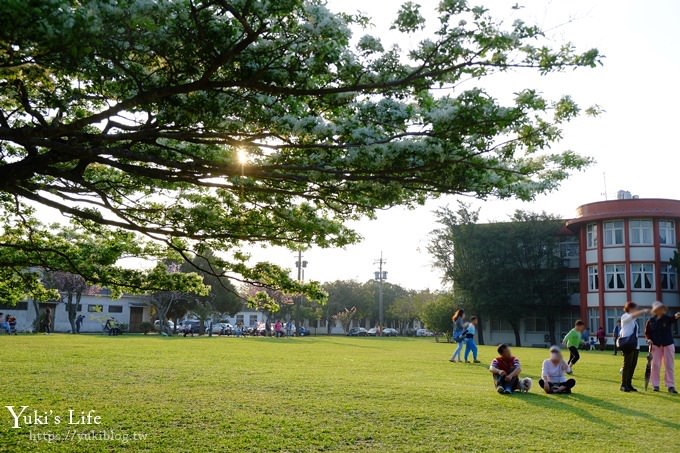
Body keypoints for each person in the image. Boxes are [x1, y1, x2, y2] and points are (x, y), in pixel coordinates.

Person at [645, 301, 680, 394]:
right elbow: (647, 333)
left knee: (669, 365)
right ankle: (655, 385)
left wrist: (677, 315)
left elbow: (674, 318)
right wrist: (648, 339)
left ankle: (670, 386)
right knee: (655, 365)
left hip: (668, 344)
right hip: (656, 345)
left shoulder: (667, 319)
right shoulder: (651, 321)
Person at [619, 301, 649, 392]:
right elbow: (631, 317)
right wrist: (643, 311)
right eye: (635, 308)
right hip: (627, 345)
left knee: (632, 365)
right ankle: (623, 385)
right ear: (630, 308)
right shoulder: (625, 316)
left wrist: (638, 347)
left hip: (634, 345)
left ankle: (629, 384)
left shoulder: (634, 321)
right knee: (627, 364)